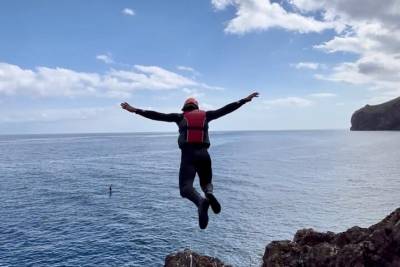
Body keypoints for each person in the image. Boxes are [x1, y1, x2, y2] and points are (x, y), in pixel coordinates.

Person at [121, 92, 259, 229]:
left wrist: (135, 110)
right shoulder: (207, 115)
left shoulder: (179, 117)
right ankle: (209, 194)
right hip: (204, 155)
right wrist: (244, 100)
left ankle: (201, 202)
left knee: (185, 189)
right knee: (206, 183)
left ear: (185, 107)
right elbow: (226, 109)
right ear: (196, 107)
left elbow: (157, 115)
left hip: (188, 156)